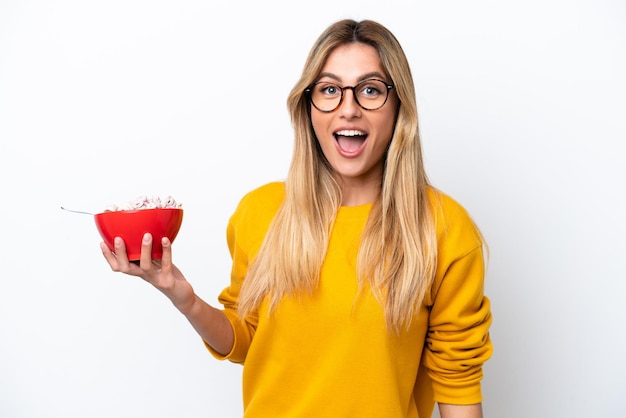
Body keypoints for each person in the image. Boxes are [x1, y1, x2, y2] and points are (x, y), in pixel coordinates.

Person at [100, 18, 493, 418]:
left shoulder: (444, 229)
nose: (349, 109)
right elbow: (246, 341)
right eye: (329, 91)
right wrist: (184, 299)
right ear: (308, 108)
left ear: (399, 108)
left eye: (371, 90)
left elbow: (457, 384)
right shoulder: (260, 212)